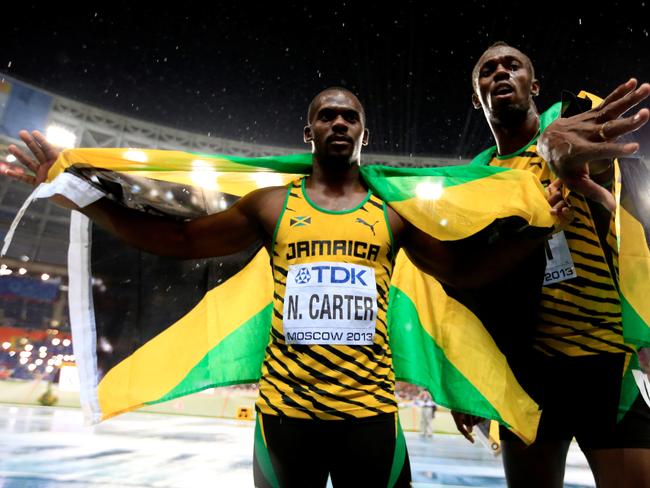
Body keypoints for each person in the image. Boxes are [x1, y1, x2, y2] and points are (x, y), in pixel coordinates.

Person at [4, 86, 567, 487]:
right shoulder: (271, 206)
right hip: (284, 419)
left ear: (363, 133)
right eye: (328, 116)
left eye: (350, 116)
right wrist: (78, 193)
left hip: (369, 416)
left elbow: (463, 273)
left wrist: (540, 233)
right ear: (310, 131)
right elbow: (177, 242)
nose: (340, 123)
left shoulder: (393, 214)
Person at [452, 42, 650, 488]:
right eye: (488, 70)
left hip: (607, 361)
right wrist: (466, 381)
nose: (501, 73)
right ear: (476, 96)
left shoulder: (570, 132)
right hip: (528, 372)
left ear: (534, 85)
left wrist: (589, 165)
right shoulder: (475, 183)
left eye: (513, 66)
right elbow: (470, 288)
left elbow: (606, 175)